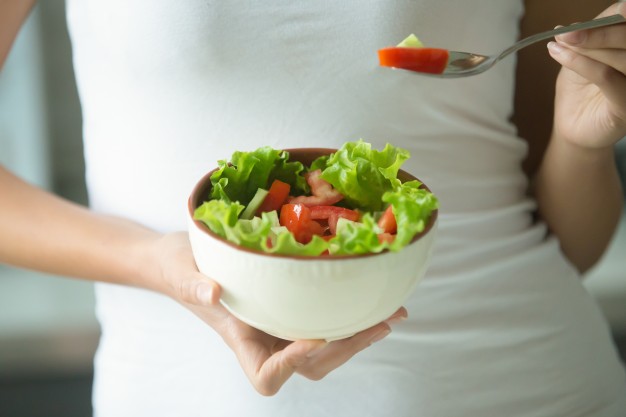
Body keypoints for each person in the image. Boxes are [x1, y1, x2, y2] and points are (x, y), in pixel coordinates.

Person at [1, 0, 625, 415]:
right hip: (181, 391)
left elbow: (570, 245)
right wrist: (159, 264)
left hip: (529, 384)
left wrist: (582, 143)